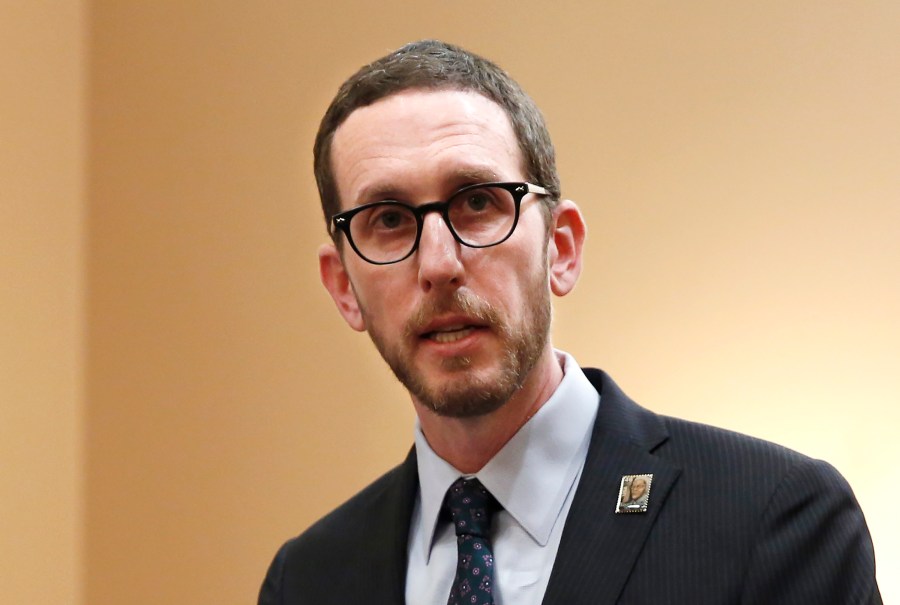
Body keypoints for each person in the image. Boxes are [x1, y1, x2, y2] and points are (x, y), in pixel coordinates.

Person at [259, 40, 881, 604]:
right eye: (389, 220)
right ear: (344, 287)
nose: (439, 265)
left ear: (560, 247)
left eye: (477, 203)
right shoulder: (308, 580)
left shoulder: (774, 519)